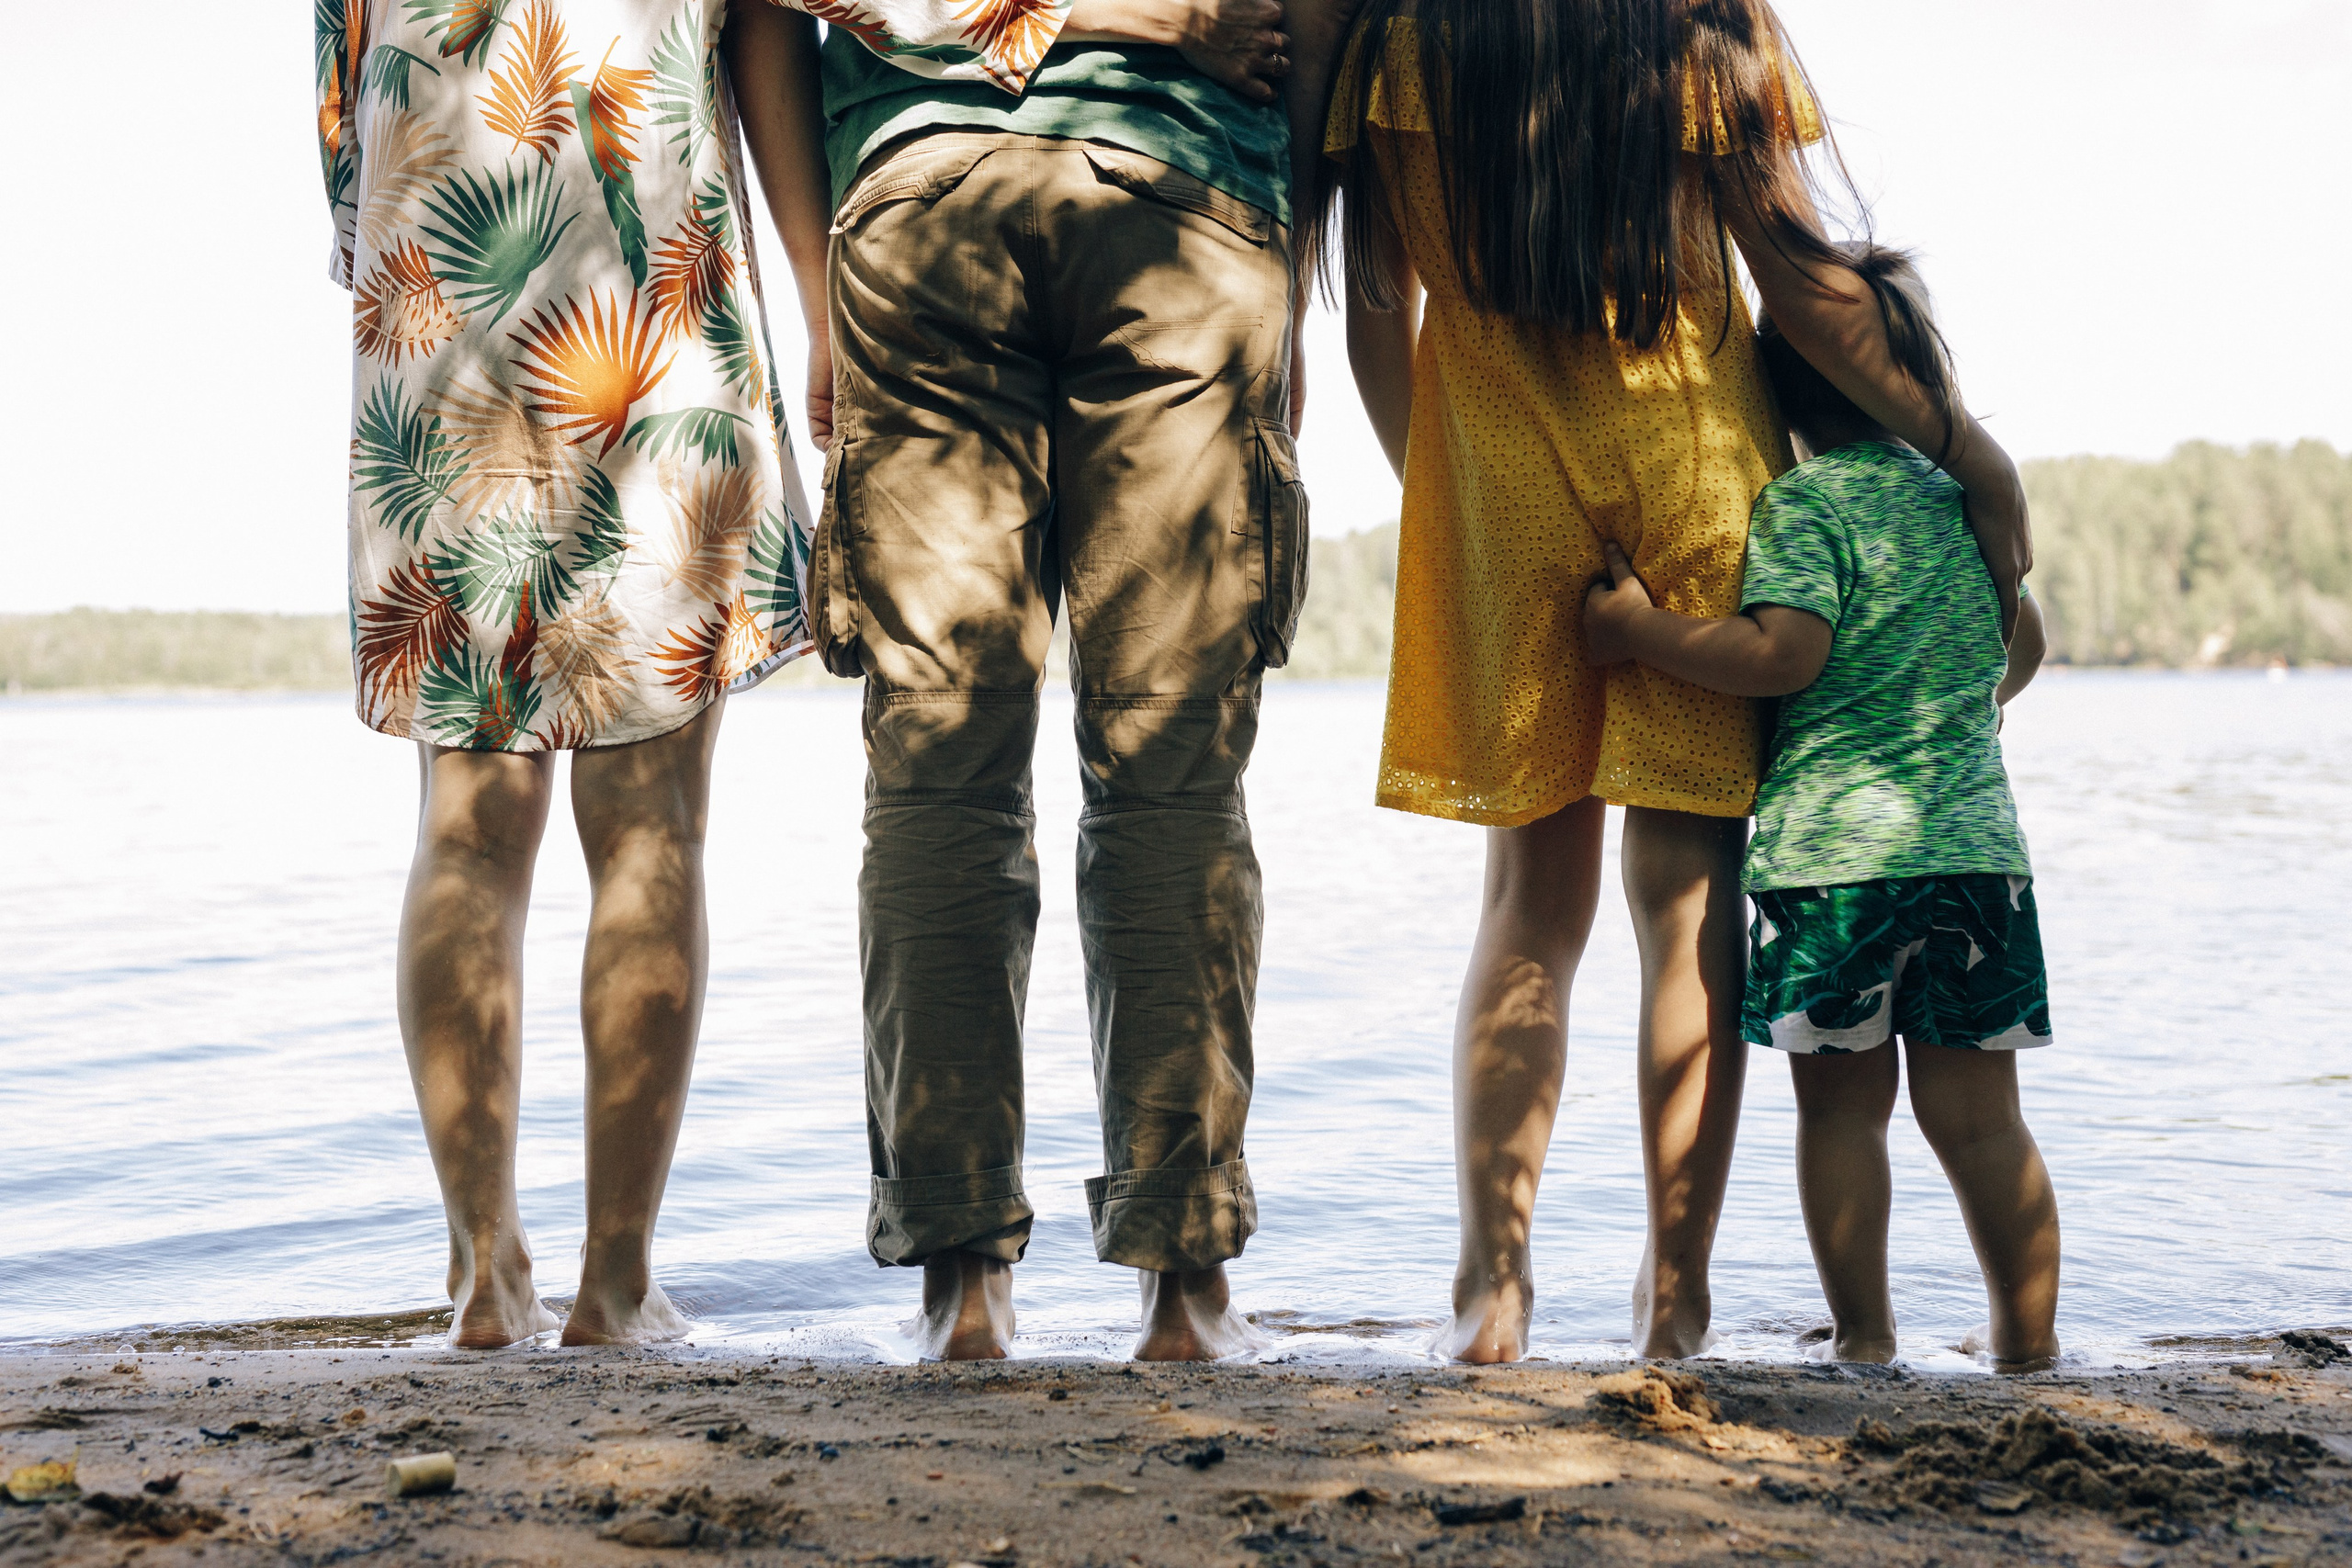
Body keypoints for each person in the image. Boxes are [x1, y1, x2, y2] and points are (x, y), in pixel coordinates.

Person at [311, 0, 1036, 1348]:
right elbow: (811, 21)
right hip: (648, 290)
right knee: (651, 825)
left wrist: (373, 249)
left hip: (432, 296)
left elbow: (336, 77)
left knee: (468, 822)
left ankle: (482, 1276)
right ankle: (615, 1283)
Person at [1321, 0, 2035, 1361]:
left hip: (1502, 473)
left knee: (1531, 907)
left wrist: (1457, 504)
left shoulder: (1400, 32)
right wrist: (1965, 447)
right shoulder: (1696, 16)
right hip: (1696, 473)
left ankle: (1494, 1292)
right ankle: (1676, 1300)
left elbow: (1373, 306)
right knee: (1686, 908)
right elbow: (1801, 285)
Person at [724, 0, 1348, 1360]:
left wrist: (821, 285)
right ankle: (1185, 1287)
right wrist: (1286, 277)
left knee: (939, 769)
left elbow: (759, 18)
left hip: (918, 192)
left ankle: (963, 1288)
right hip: (1183, 200)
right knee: (1170, 764)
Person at [1583, 245, 2062, 1371]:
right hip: (1974, 862)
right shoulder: (1959, 506)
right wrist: (1954, 706)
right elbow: (2024, 643)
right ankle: (2027, 1346)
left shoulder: (1801, 507)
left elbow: (1782, 656)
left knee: (1844, 1115)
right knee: (1984, 1122)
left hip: (1830, 874)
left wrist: (1638, 632)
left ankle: (1864, 1339)